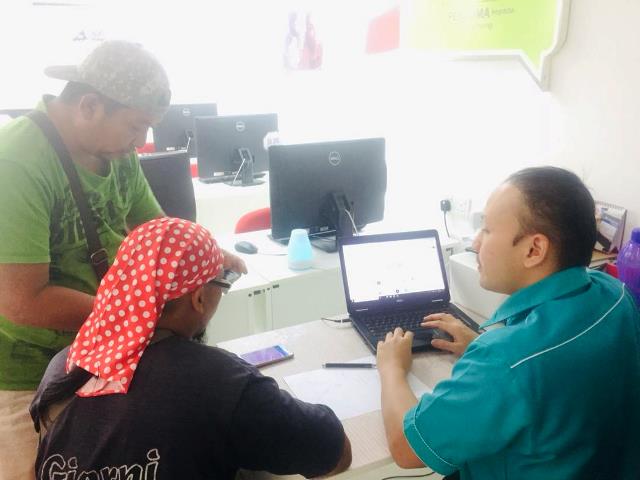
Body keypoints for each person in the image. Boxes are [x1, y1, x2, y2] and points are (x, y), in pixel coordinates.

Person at [0, 40, 246, 479]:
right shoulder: (16, 162)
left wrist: (206, 258)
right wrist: (135, 314)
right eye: (136, 126)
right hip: (25, 372)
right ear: (89, 106)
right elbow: (22, 300)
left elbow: (159, 232)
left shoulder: (115, 152)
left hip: (99, 353)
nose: (141, 142)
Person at [30, 217, 351, 479]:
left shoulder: (64, 365)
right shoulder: (218, 382)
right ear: (198, 298)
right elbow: (334, 454)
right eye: (221, 284)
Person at [377, 167, 640, 479]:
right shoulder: (616, 293)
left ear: (534, 250)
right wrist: (480, 345)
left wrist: (391, 368)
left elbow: (406, 449)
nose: (475, 243)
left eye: (487, 230)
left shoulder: (503, 360)